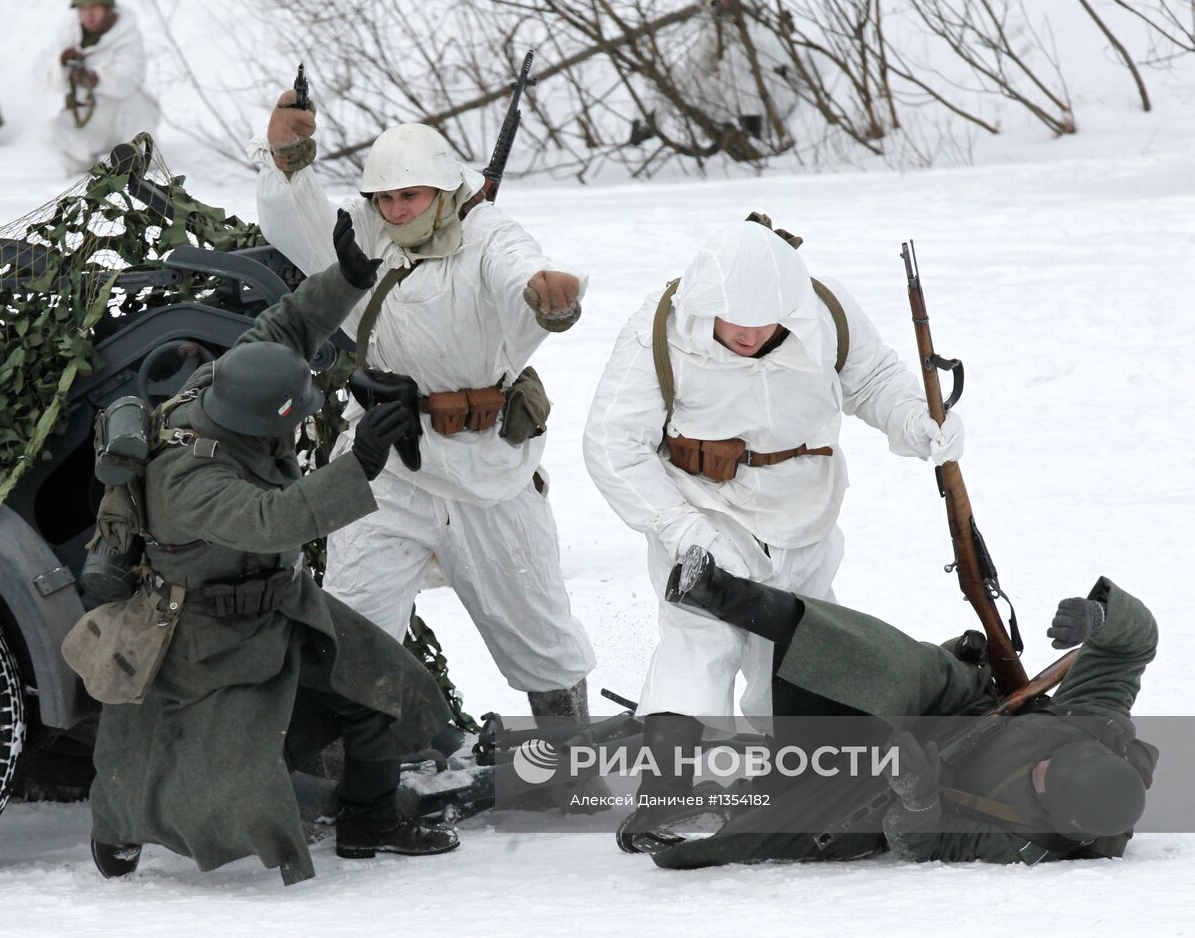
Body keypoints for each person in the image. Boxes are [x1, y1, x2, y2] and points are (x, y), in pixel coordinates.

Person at [87, 211, 459, 885]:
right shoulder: (190, 479)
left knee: (381, 687)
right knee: (204, 770)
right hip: (202, 639)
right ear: (269, 425)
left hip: (279, 605)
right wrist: (362, 464)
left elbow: (285, 330)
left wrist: (346, 277)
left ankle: (371, 820)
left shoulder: (221, 384)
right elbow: (274, 518)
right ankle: (116, 829)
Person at [582, 216, 964, 814]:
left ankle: (795, 791)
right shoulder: (656, 330)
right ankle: (664, 797)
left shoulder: (827, 312)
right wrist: (680, 528)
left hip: (804, 513)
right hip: (704, 514)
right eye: (736, 319)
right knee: (698, 643)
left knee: (803, 653)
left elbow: (875, 379)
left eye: (767, 319)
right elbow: (611, 444)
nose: (751, 332)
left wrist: (913, 419)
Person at [250, 91, 597, 720]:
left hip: (487, 469)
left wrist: (549, 296)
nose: (396, 208)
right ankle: (357, 781)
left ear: (442, 190)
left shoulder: (488, 233)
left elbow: (517, 267)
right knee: (352, 623)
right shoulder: (364, 235)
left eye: (409, 195)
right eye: (385, 197)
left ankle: (569, 763)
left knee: (537, 631)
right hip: (386, 464)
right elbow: (298, 226)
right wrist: (288, 158)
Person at [634, 546, 1157, 866]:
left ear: (1055, 815)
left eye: (1045, 778)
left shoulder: (1025, 842)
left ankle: (690, 816)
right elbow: (1134, 646)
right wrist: (1100, 621)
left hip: (905, 780)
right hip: (955, 706)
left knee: (793, 818)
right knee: (889, 665)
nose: (1042, 764)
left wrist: (919, 798)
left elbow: (925, 847)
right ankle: (725, 594)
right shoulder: (1099, 731)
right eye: (1056, 757)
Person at [37, 0, 160, 174]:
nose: (89, 14)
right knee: (51, 132)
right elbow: (40, 76)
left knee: (140, 103)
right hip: (89, 118)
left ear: (107, 8)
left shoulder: (126, 34)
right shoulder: (70, 33)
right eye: (83, 8)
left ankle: (140, 163)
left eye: (95, 7)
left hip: (122, 117)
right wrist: (61, 61)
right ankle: (83, 173)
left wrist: (96, 79)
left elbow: (132, 77)